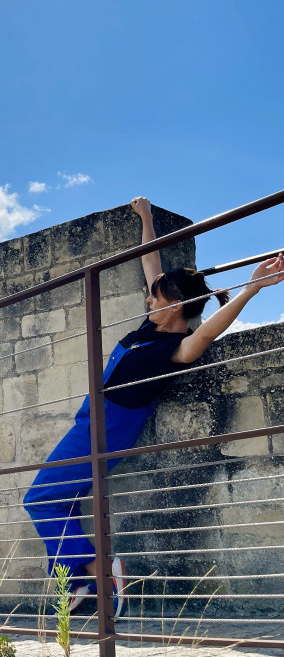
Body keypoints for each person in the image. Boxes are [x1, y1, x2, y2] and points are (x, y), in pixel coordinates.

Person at [23, 196, 284, 617]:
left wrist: (251, 288)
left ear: (175, 307)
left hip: (108, 428)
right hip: (91, 421)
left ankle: (99, 573)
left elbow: (204, 337)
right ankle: (81, 583)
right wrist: (146, 218)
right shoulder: (151, 326)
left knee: (39, 499)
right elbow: (151, 263)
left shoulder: (171, 348)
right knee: (58, 498)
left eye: (156, 299)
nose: (148, 301)